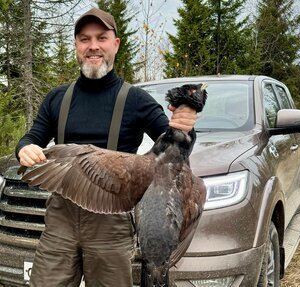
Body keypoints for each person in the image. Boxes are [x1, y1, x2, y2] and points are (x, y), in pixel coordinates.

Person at [15, 7, 197, 287]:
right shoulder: (57, 98)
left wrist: (184, 126)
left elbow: (175, 151)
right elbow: (31, 138)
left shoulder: (136, 100)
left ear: (116, 44)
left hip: (112, 225)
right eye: (85, 39)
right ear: (76, 45)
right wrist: (24, 149)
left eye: (101, 38)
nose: (93, 46)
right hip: (60, 219)